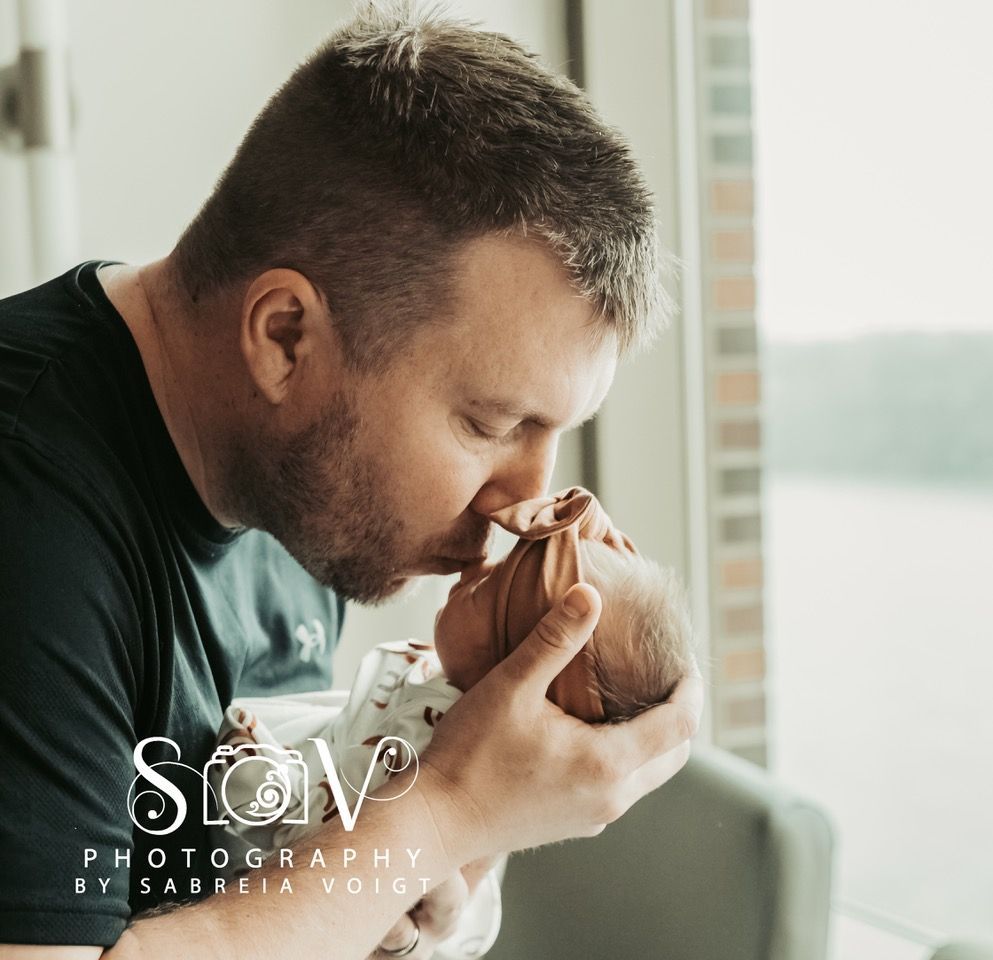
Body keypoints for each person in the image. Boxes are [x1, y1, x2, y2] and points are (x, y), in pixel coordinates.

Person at [0, 5, 703, 959]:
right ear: (285, 338)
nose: (523, 502)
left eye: (553, 435)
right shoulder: (27, 510)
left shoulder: (296, 490)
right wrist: (445, 811)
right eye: (489, 424)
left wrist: (380, 892)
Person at [206, 487, 696, 957]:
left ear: (511, 682)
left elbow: (324, 827)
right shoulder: (452, 713)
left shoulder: (428, 744)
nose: (475, 566)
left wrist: (259, 772)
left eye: (494, 590)